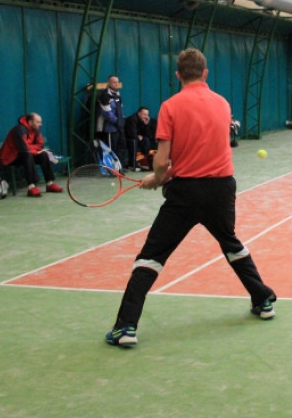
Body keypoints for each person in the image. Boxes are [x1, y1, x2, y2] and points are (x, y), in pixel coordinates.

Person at [105, 48, 277, 348]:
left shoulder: (170, 107)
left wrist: (157, 178)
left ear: (178, 75)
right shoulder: (223, 104)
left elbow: (162, 161)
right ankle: (263, 300)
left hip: (184, 194)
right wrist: (168, 174)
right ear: (205, 73)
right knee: (231, 243)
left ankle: (126, 327)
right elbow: (205, 151)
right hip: (221, 189)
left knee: (151, 257)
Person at [0, 112, 63, 197]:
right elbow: (23, 149)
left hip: (23, 154)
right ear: (30, 122)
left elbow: (40, 145)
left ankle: (49, 184)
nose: (41, 124)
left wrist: (31, 148)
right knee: (27, 156)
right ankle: (31, 187)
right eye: (38, 122)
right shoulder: (19, 130)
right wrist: (34, 150)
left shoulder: (36, 131)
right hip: (10, 158)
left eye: (40, 122)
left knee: (43, 155)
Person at [95, 74, 126, 165]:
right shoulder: (105, 95)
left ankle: (120, 167)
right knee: (112, 149)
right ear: (109, 83)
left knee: (122, 146)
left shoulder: (118, 95)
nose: (116, 84)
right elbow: (107, 114)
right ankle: (112, 168)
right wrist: (118, 121)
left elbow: (121, 110)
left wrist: (122, 121)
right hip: (110, 128)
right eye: (113, 82)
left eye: (117, 82)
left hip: (119, 127)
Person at [125, 106, 157, 171]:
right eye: (144, 114)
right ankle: (132, 164)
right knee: (134, 141)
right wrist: (137, 136)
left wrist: (146, 125)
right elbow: (131, 134)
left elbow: (148, 135)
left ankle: (145, 161)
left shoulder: (144, 120)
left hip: (137, 139)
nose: (145, 116)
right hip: (127, 139)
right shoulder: (132, 119)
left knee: (146, 140)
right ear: (139, 113)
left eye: (147, 115)